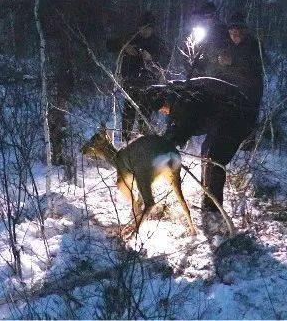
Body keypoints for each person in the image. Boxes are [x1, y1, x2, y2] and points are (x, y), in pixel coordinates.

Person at [163, 11, 263, 218]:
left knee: (216, 154)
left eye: (239, 29)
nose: (235, 32)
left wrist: (231, 62)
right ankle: (208, 203)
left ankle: (214, 210)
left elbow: (251, 73)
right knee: (207, 150)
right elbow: (210, 78)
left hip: (241, 113)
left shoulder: (254, 50)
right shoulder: (224, 49)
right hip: (223, 110)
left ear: (245, 31)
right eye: (232, 29)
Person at [110, 12, 169, 142]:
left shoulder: (158, 43)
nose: (143, 30)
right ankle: (126, 143)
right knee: (128, 118)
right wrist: (125, 47)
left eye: (147, 28)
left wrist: (152, 57)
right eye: (141, 27)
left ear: (152, 28)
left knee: (145, 119)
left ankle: (143, 146)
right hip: (131, 85)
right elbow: (110, 44)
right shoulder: (132, 38)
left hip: (149, 87)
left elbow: (165, 61)